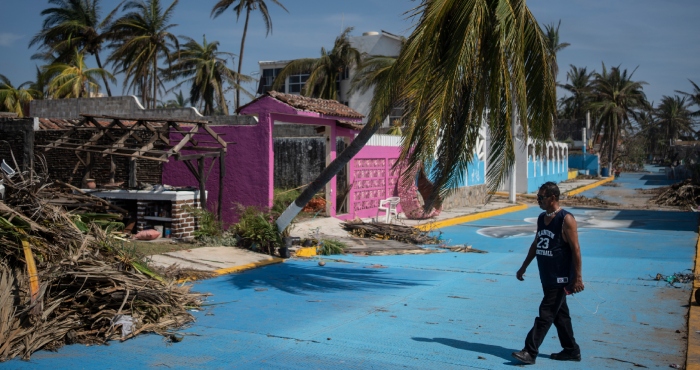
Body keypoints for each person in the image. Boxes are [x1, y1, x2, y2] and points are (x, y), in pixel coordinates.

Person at [511, 181, 584, 365]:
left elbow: (576, 250)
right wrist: (523, 266)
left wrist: (577, 278)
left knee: (546, 314)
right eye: (538, 197)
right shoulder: (542, 218)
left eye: (541, 197)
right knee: (561, 316)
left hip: (560, 278)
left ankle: (529, 351)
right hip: (547, 276)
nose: (538, 200)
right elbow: (537, 244)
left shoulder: (566, 219)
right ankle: (571, 350)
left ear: (553, 198)